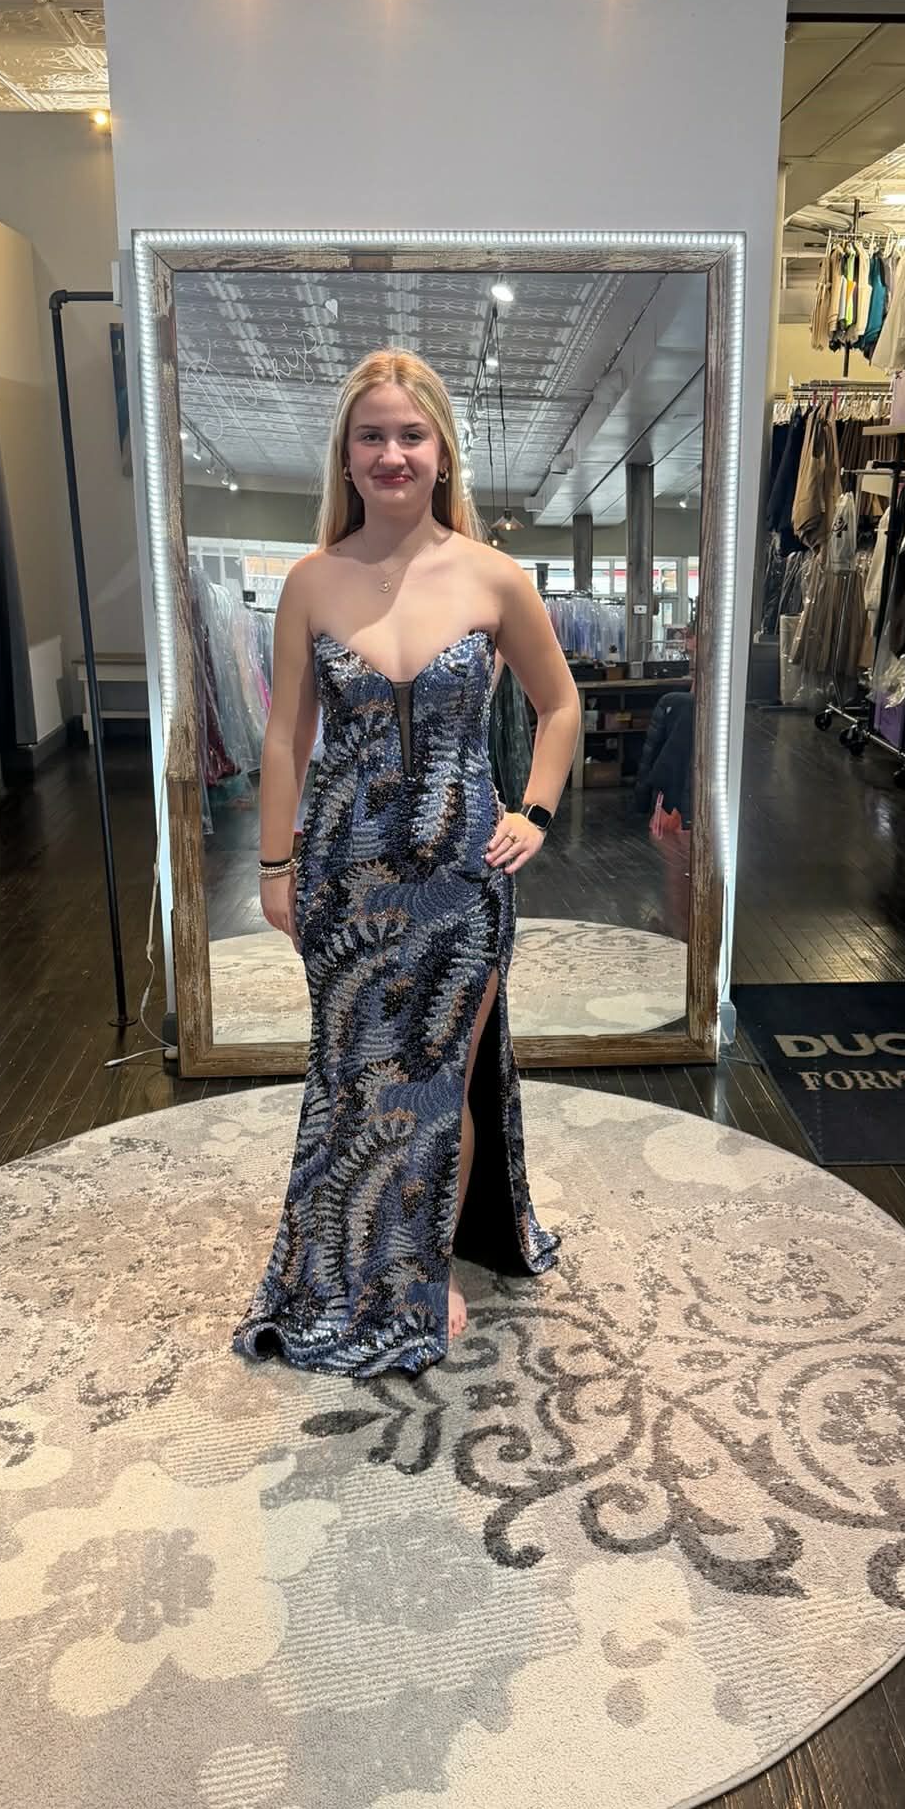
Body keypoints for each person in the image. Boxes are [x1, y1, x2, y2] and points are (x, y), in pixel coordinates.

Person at [232, 348, 581, 1375]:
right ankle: (343, 1265)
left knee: (440, 1082)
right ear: (346, 455)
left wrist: (539, 810)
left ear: (441, 453)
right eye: (371, 435)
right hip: (343, 874)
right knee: (351, 1082)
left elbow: (561, 705)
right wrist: (271, 866)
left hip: (465, 883)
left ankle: (423, 1270)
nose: (392, 452)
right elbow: (285, 740)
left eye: (410, 434)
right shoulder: (309, 581)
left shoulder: (491, 574)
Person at [634, 628, 697, 941]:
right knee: (679, 871)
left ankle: (680, 933)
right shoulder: (688, 704)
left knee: (678, 872)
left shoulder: (686, 705)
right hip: (681, 803)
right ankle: (681, 932)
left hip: (681, 805)